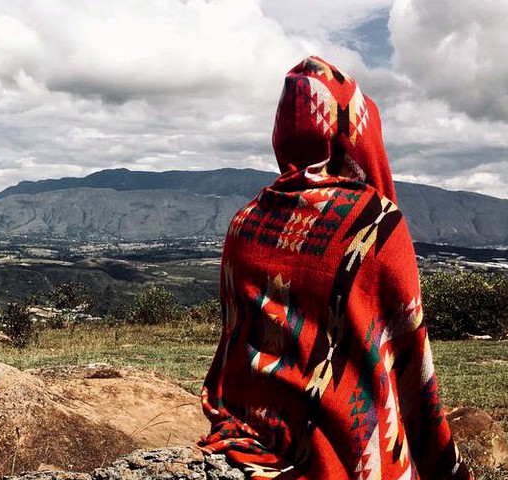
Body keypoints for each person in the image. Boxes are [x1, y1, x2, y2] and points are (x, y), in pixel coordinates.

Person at [198, 56, 473, 480]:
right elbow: (409, 357)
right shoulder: (375, 224)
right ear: (354, 132)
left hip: (251, 421)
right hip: (343, 437)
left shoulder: (243, 221)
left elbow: (234, 342)